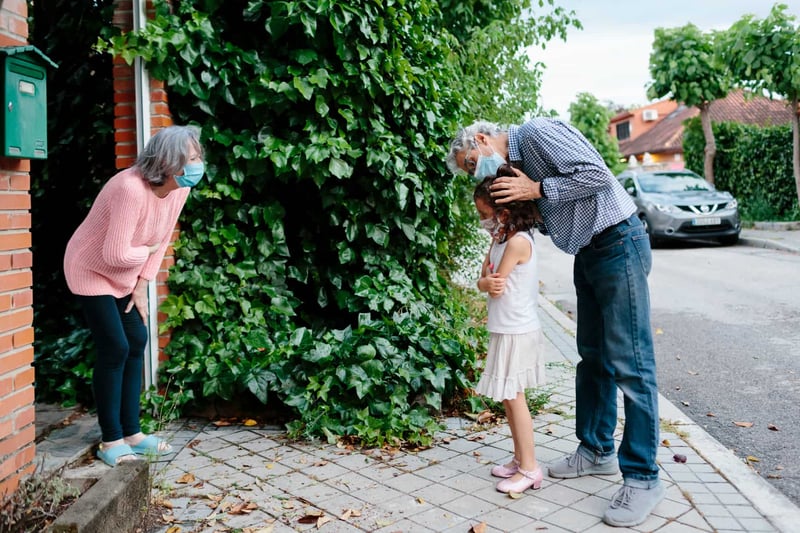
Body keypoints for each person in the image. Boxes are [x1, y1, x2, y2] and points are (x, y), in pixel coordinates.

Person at [447, 118, 664, 527]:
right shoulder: (518, 166)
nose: (476, 173)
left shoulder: (537, 133)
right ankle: (596, 451)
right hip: (590, 251)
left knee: (631, 364)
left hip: (618, 241)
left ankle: (642, 477)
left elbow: (596, 174)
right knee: (593, 357)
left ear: (480, 140)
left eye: (472, 162)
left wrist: (536, 189)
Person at [63, 125, 206, 467]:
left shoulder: (178, 190)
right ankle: (110, 439)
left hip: (125, 275)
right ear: (169, 162)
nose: (199, 163)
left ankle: (133, 433)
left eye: (198, 155)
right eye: (192, 157)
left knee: (137, 337)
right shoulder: (129, 188)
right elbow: (114, 254)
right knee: (115, 346)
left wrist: (141, 283)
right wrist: (147, 251)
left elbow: (162, 240)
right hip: (90, 269)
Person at [473, 164, 546, 494]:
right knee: (507, 396)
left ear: (504, 212)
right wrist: (486, 281)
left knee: (515, 398)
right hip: (504, 328)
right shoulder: (500, 239)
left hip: (518, 330)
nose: (482, 221)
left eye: (484, 214)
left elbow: (494, 284)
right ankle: (519, 459)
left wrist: (487, 281)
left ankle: (530, 469)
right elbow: (482, 281)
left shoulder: (518, 243)